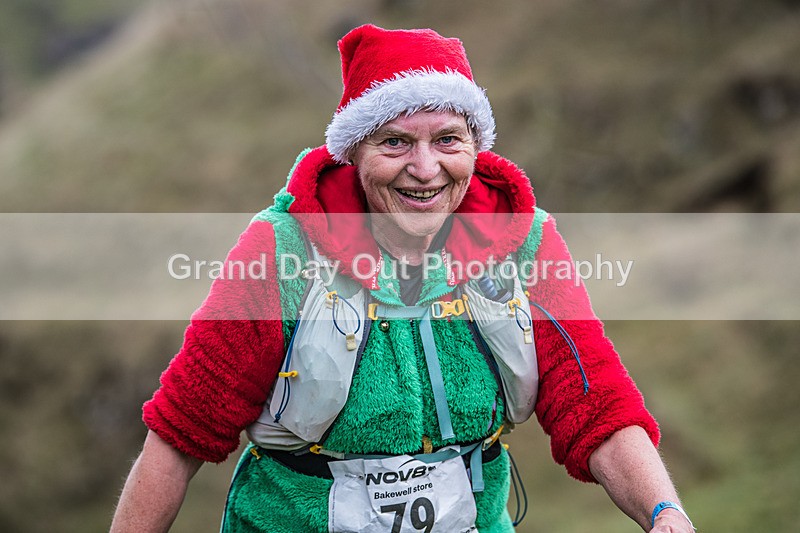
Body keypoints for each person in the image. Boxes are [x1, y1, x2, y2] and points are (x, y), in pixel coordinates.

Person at [111, 24, 695, 533]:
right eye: (395, 142)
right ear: (354, 153)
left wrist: (664, 512)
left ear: (475, 147)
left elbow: (596, 404)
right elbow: (182, 431)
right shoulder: (280, 250)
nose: (425, 169)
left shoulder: (525, 240)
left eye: (447, 140)